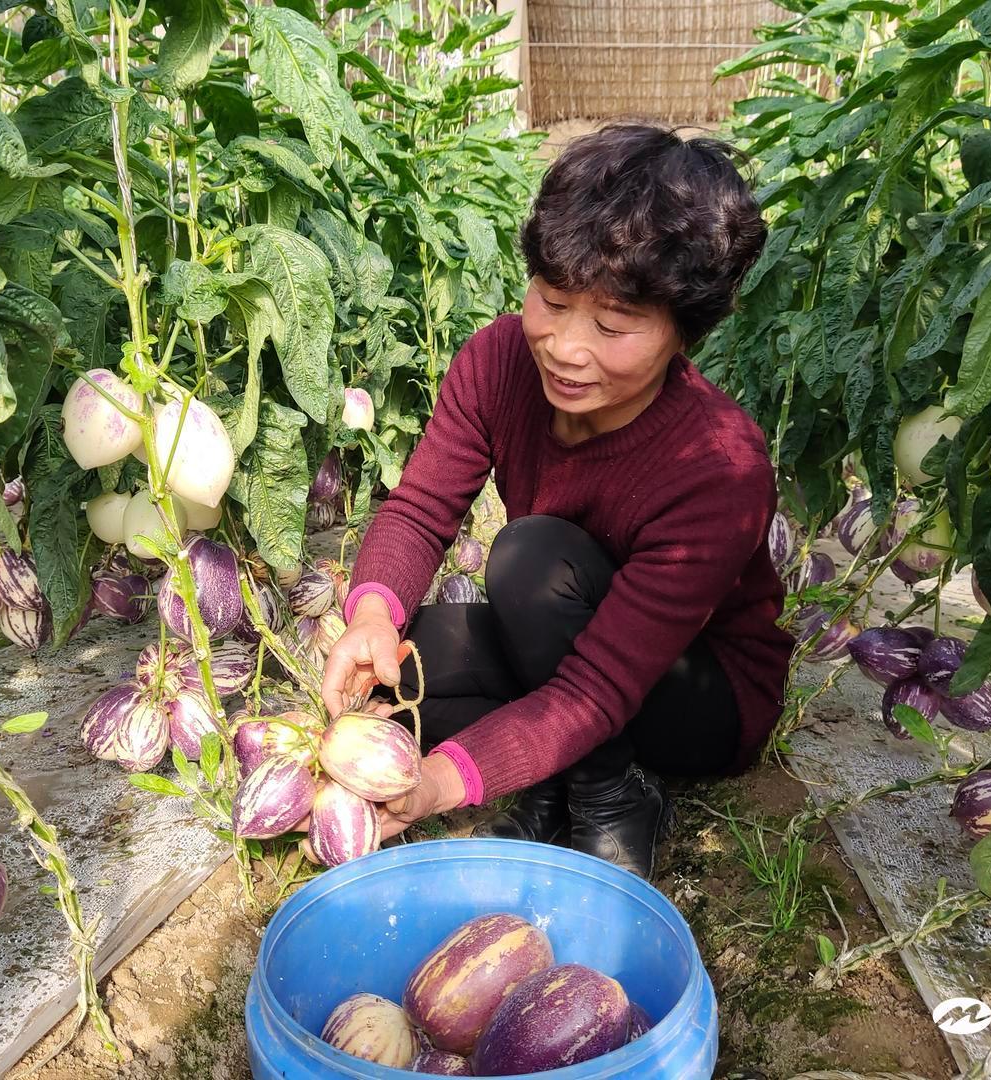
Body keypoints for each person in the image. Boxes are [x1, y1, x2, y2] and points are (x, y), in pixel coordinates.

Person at [319, 123, 795, 879]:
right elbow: (418, 510)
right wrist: (372, 613)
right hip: (563, 638)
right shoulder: (498, 360)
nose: (567, 347)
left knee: (531, 558)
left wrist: (441, 782)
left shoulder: (719, 464)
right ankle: (547, 776)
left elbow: (600, 685)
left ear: (685, 334)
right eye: (552, 300)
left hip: (698, 694)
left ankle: (610, 797)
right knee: (407, 667)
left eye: (614, 325)